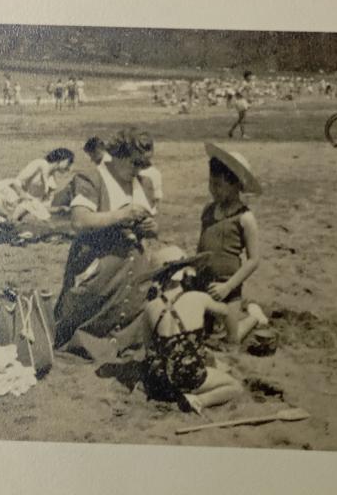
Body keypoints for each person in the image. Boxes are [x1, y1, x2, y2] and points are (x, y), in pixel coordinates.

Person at [54, 128, 160, 361]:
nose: (139, 169)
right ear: (118, 155)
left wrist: (152, 229)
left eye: (144, 164)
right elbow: (80, 221)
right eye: (135, 163)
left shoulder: (144, 184)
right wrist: (121, 215)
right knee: (88, 324)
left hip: (133, 272)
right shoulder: (92, 180)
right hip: (99, 270)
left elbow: (153, 225)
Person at [143, 246, 243, 414]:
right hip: (189, 376)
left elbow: (148, 345)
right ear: (185, 274)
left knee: (205, 360)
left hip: (160, 382)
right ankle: (198, 400)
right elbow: (225, 311)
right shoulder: (198, 298)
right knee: (235, 386)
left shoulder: (150, 308)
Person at [196, 144, 269, 343]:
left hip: (228, 288)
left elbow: (254, 260)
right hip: (204, 284)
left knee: (232, 341)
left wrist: (228, 286)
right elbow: (201, 248)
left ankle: (253, 316)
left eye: (219, 185)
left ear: (236, 185)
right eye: (211, 184)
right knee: (201, 335)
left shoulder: (245, 218)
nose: (213, 190)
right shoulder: (208, 211)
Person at [228, 71, 254, 139]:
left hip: (241, 101)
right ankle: (243, 134)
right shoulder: (244, 83)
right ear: (247, 76)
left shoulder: (246, 83)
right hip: (240, 101)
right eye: (250, 76)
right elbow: (238, 91)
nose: (251, 77)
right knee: (242, 118)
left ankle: (231, 131)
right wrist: (245, 98)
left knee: (241, 118)